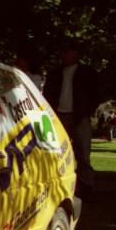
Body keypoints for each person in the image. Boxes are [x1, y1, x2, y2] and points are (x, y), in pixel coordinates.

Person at [43, 41, 98, 198]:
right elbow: (48, 93)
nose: (64, 55)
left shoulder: (86, 73)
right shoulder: (55, 74)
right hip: (58, 116)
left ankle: (86, 187)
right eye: (63, 52)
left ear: (76, 54)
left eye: (68, 52)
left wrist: (86, 111)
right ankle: (56, 185)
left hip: (79, 116)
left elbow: (95, 93)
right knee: (56, 152)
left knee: (83, 154)